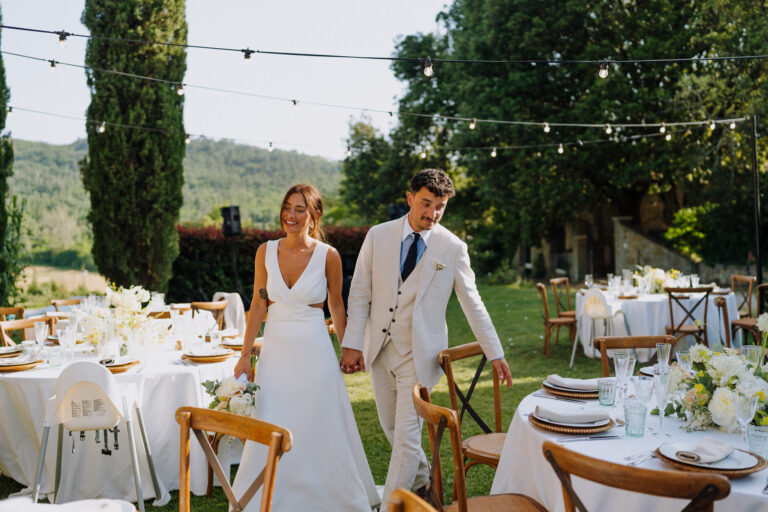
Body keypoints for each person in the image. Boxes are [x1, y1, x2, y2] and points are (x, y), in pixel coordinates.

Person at [341, 168, 513, 507]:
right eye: (426, 203)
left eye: (440, 206)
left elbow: (473, 302)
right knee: (391, 429)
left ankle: (392, 505)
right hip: (379, 349)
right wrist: (352, 344)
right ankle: (425, 485)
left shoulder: (452, 247)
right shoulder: (378, 235)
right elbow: (360, 292)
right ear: (409, 199)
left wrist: (495, 353)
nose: (432, 213)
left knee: (406, 439)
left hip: (418, 357)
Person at [232, 184, 380, 511]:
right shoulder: (264, 252)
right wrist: (245, 356)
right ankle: (267, 495)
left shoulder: (329, 256)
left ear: (314, 216)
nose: (291, 215)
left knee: (319, 421)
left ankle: (327, 495)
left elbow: (337, 307)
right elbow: (258, 306)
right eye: (287, 207)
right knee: (272, 418)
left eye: (300, 209)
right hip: (275, 354)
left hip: (315, 351)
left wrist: (348, 349)